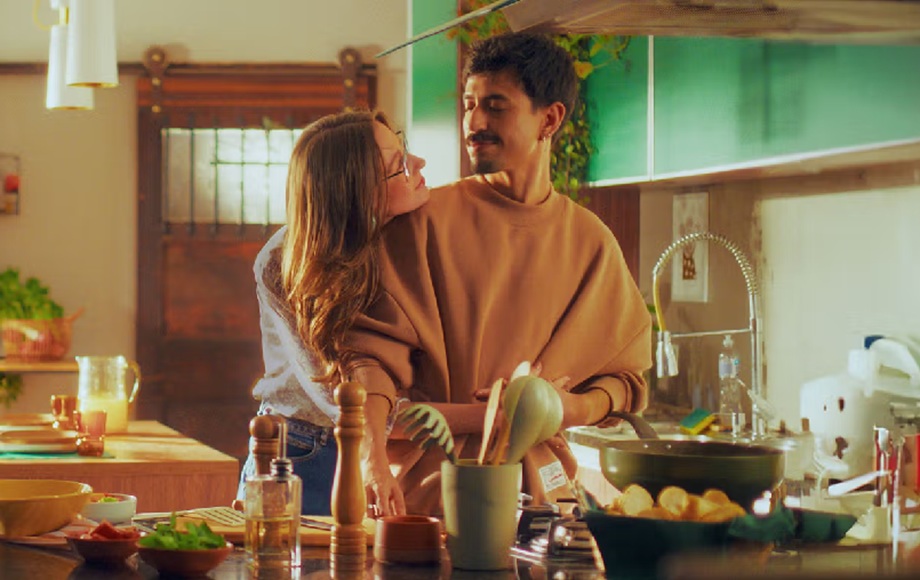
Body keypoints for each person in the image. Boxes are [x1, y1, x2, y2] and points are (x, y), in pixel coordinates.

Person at [345, 32, 652, 517]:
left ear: (549, 119)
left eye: (495, 106)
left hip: (545, 506)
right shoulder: (420, 225)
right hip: (424, 505)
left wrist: (567, 408)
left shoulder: (591, 242)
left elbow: (625, 381)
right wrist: (370, 457)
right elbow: (368, 363)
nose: (474, 122)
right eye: (469, 105)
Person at [237, 110, 430, 515]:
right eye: (399, 165)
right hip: (301, 454)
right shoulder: (283, 262)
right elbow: (345, 404)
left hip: (385, 451)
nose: (419, 164)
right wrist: (489, 417)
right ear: (359, 194)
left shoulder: (406, 240)